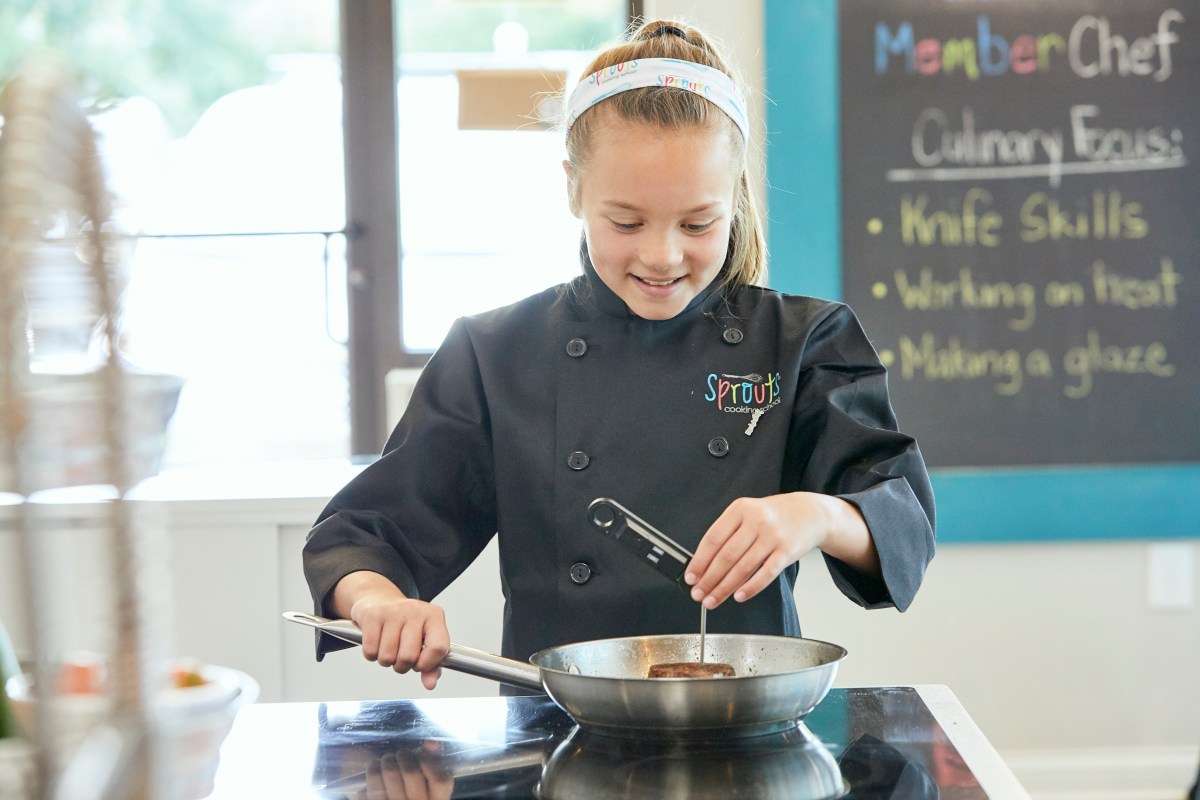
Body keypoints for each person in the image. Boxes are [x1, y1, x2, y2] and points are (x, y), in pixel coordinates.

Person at [303, 18, 936, 691]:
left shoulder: (805, 344)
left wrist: (813, 514)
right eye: (626, 221)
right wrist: (380, 604)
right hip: (551, 733)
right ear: (573, 188)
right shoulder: (495, 355)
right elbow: (365, 533)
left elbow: (901, 522)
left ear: (735, 198)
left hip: (741, 729)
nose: (661, 255)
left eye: (698, 223)